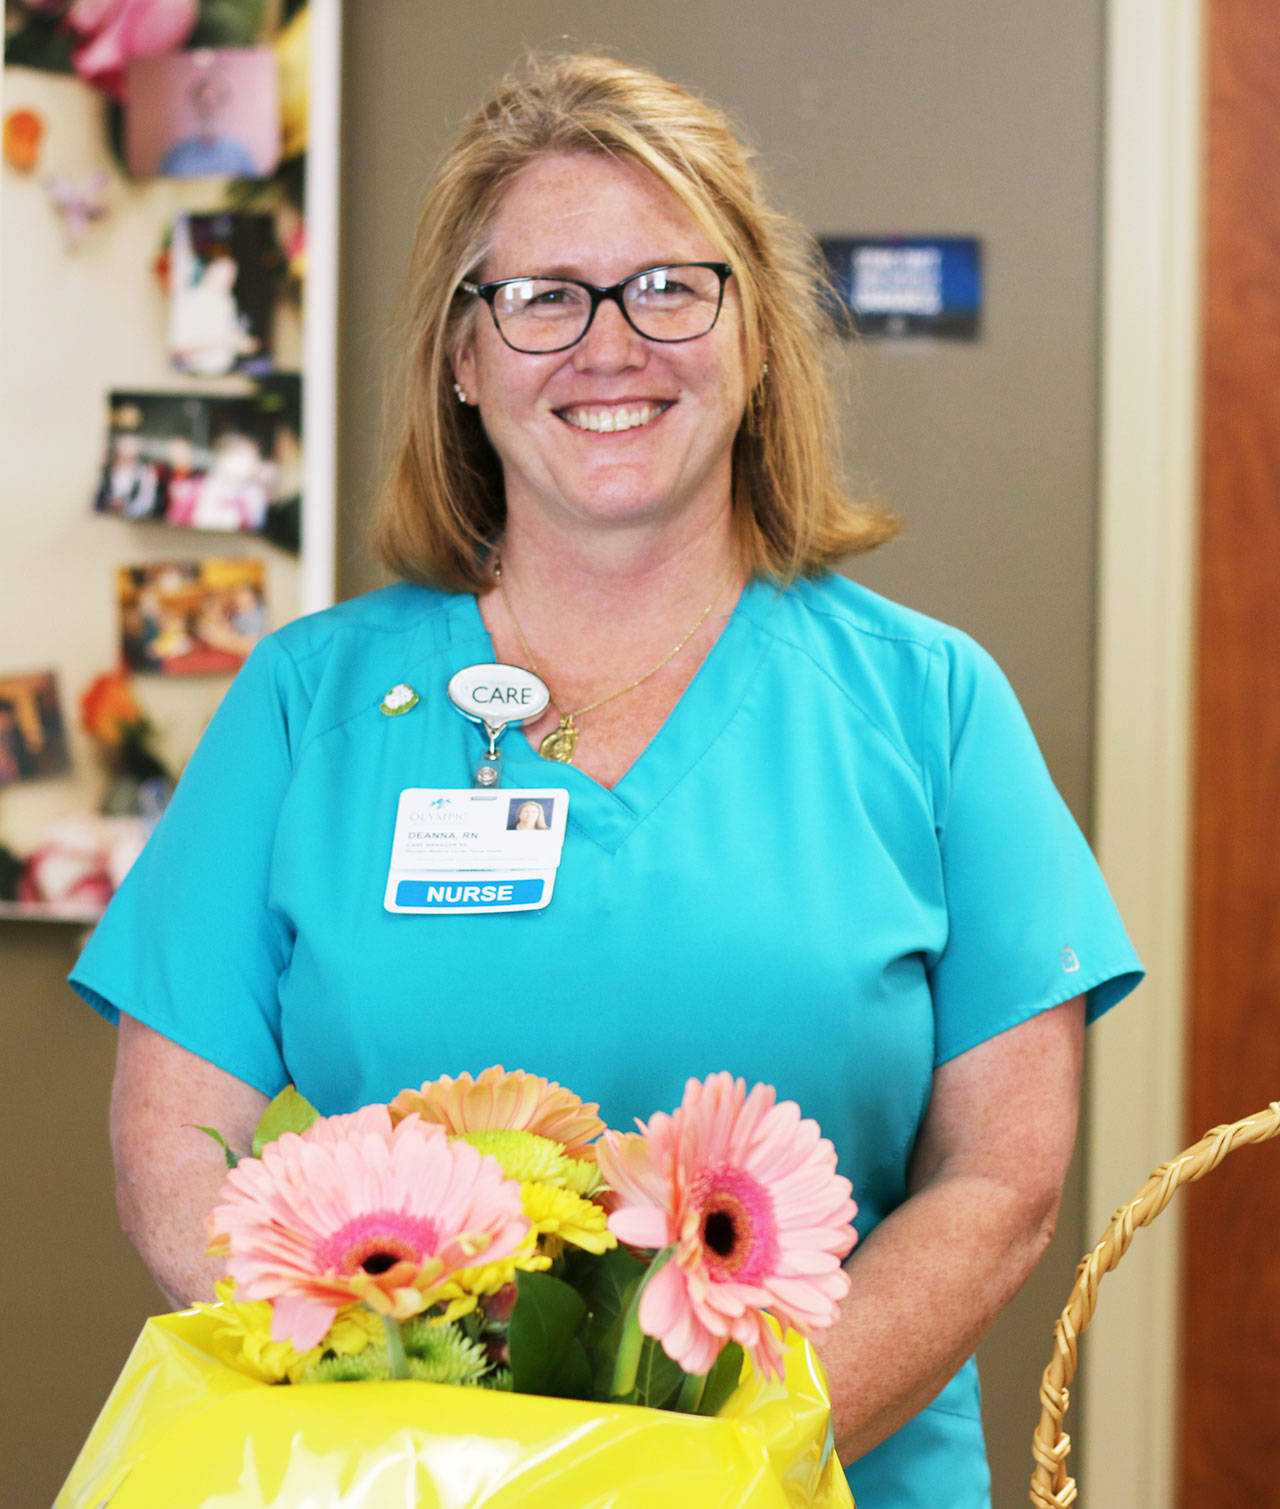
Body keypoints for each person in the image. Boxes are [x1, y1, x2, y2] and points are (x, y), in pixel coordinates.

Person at [72, 53, 1142, 1507]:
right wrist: (407, 1437)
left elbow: (1001, 1185)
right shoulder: (307, 702)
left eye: (667, 288)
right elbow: (175, 1153)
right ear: (462, 356)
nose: (608, 344)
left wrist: (735, 1460)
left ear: (755, 335)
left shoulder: (928, 703)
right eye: (540, 297)